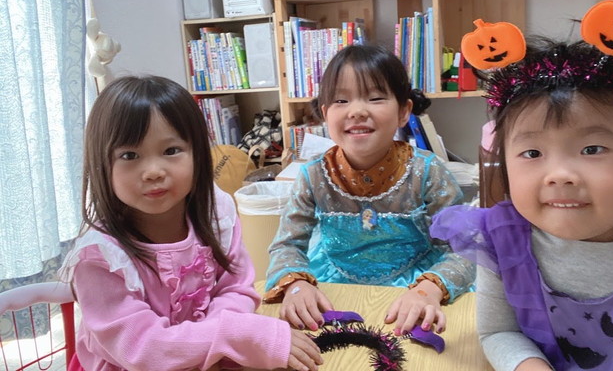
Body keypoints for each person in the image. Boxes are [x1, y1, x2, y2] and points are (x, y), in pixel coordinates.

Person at [59, 76, 322, 371]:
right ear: (101, 164)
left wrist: (218, 341)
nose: (153, 171)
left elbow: (236, 288)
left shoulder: (215, 213)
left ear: (198, 153)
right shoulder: (100, 258)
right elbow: (144, 350)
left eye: (171, 151)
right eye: (129, 155)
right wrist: (231, 336)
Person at [431, 34, 613, 370]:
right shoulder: (500, 240)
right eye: (532, 153)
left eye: (592, 149)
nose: (559, 175)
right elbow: (499, 331)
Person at [263, 45, 475, 336]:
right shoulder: (312, 174)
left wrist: (429, 290)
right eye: (341, 100)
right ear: (325, 114)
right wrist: (296, 286)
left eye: (375, 98)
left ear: (403, 111)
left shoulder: (428, 171)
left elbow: (463, 248)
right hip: (332, 289)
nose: (357, 111)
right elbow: (286, 245)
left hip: (416, 291)